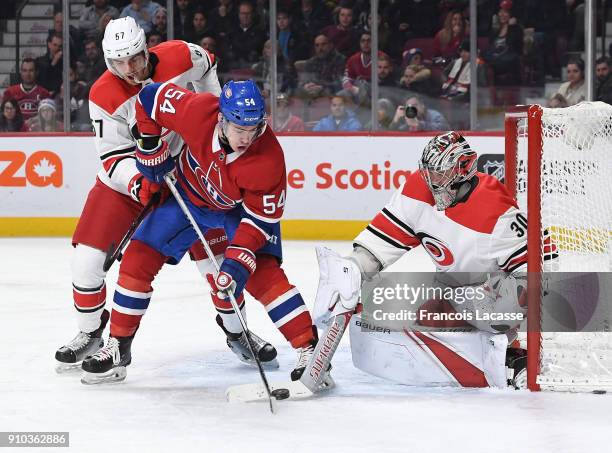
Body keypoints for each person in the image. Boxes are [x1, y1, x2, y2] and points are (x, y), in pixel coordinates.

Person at [54, 17, 276, 375]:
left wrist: (213, 109)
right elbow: (113, 157)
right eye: (119, 63)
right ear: (109, 62)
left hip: (189, 177)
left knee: (219, 266)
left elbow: (209, 62)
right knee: (86, 263)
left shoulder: (180, 55)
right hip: (129, 182)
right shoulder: (103, 95)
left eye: (135, 59)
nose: (129, 69)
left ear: (146, 49)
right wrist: (139, 183)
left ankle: (238, 333)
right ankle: (91, 333)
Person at [80, 80, 324, 386]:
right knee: (137, 259)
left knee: (262, 273)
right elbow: (147, 98)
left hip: (237, 212)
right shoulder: (196, 111)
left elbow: (260, 221)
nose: (246, 137)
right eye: (239, 128)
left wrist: (236, 262)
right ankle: (118, 348)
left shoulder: (269, 159)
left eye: (254, 128)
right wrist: (150, 149)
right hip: (187, 196)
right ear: (221, 118)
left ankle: (308, 347)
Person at [312, 131, 534, 389]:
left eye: (439, 173)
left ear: (463, 170)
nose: (430, 181)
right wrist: (352, 269)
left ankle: (514, 355)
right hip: (451, 289)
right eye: (428, 172)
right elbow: (383, 239)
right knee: (428, 322)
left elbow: (534, 271)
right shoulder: (416, 189)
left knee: (493, 323)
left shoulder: (499, 212)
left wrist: (507, 312)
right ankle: (492, 353)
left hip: (492, 292)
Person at [484, 0, 523, 85]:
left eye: (505, 12)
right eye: (500, 12)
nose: (502, 15)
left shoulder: (516, 29)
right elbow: (491, 44)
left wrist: (511, 27)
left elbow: (516, 46)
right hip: (495, 57)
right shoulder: (496, 29)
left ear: (511, 15)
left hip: (509, 59)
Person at [298, 34, 345, 101]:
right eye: (317, 45)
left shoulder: (340, 60)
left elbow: (340, 83)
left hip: (332, 95)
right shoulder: (310, 62)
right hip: (312, 94)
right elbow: (303, 81)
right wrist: (305, 86)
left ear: (330, 45)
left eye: (323, 44)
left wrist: (322, 87)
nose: (320, 48)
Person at [35, 32, 64, 96]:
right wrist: (54, 62)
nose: (57, 48)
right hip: (43, 95)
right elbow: (42, 79)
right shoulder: (40, 61)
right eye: (55, 45)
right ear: (49, 44)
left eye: (60, 46)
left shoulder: (65, 63)